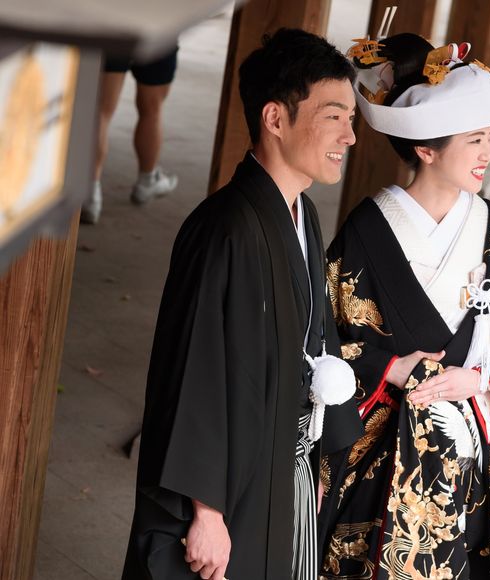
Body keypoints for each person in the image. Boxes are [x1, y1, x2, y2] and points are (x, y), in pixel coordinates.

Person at [122, 28, 363, 580]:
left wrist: (319, 456)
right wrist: (205, 512)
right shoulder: (224, 229)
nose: (349, 136)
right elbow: (194, 373)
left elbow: (316, 342)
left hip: (286, 465)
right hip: (230, 484)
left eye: (351, 118)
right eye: (334, 116)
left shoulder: (303, 214)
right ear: (275, 118)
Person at [317, 32, 490, 580]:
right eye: (474, 140)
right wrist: (391, 368)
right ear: (426, 149)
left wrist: (481, 383)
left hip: (473, 459)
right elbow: (325, 339)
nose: (488, 154)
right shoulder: (367, 231)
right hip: (382, 461)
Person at [81, 46, 179, 224]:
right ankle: (147, 180)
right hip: (156, 32)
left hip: (116, 31)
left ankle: (90, 194)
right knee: (152, 110)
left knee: (101, 112)